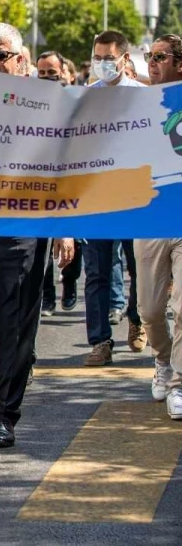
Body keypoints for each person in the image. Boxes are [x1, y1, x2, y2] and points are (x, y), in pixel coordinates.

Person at [0, 23, 73, 448]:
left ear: (21, 61)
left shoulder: (48, 105)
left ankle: (6, 413)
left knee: (16, 330)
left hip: (23, 234)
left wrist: (65, 229)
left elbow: (66, 169)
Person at [82, 30, 144, 366]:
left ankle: (136, 318)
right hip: (98, 199)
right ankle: (100, 341)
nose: (102, 63)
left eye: (108, 58)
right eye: (98, 57)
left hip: (135, 198)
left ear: (124, 58)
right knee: (97, 272)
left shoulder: (142, 96)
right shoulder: (86, 97)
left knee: (139, 268)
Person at [136, 34, 182, 419]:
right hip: (149, 217)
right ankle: (163, 359)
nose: (152, 62)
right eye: (148, 56)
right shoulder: (131, 104)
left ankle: (179, 380)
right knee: (150, 309)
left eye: (160, 56)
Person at [33, 51, 82, 317]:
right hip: (40, 187)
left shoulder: (76, 102)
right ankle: (48, 297)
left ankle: (71, 281)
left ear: (63, 72)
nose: (47, 77)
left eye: (52, 72)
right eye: (41, 73)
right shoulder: (28, 104)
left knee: (73, 244)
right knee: (42, 245)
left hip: (72, 184)